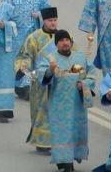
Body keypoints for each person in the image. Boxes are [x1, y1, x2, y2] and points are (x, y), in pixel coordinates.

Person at [32, 29, 97, 171]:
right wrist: (50, 70)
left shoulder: (80, 57)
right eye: (61, 41)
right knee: (61, 134)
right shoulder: (50, 59)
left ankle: (70, 159)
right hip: (59, 104)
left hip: (77, 105)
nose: (65, 43)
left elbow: (91, 75)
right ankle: (64, 162)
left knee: (75, 131)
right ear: (57, 44)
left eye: (67, 40)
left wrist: (84, 84)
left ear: (71, 42)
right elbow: (41, 76)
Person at [14, 6, 59, 153]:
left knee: (56, 113)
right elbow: (25, 56)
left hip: (59, 81)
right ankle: (41, 142)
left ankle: (56, 142)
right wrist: (23, 68)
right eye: (50, 20)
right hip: (39, 82)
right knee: (40, 111)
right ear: (44, 21)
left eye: (55, 20)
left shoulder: (63, 37)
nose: (53, 23)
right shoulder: (34, 37)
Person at [4, 0, 51, 99]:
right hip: (17, 37)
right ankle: (19, 86)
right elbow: (4, 15)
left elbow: (48, 11)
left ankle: (28, 85)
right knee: (19, 62)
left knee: (34, 60)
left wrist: (40, 15)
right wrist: (7, 26)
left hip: (35, 34)